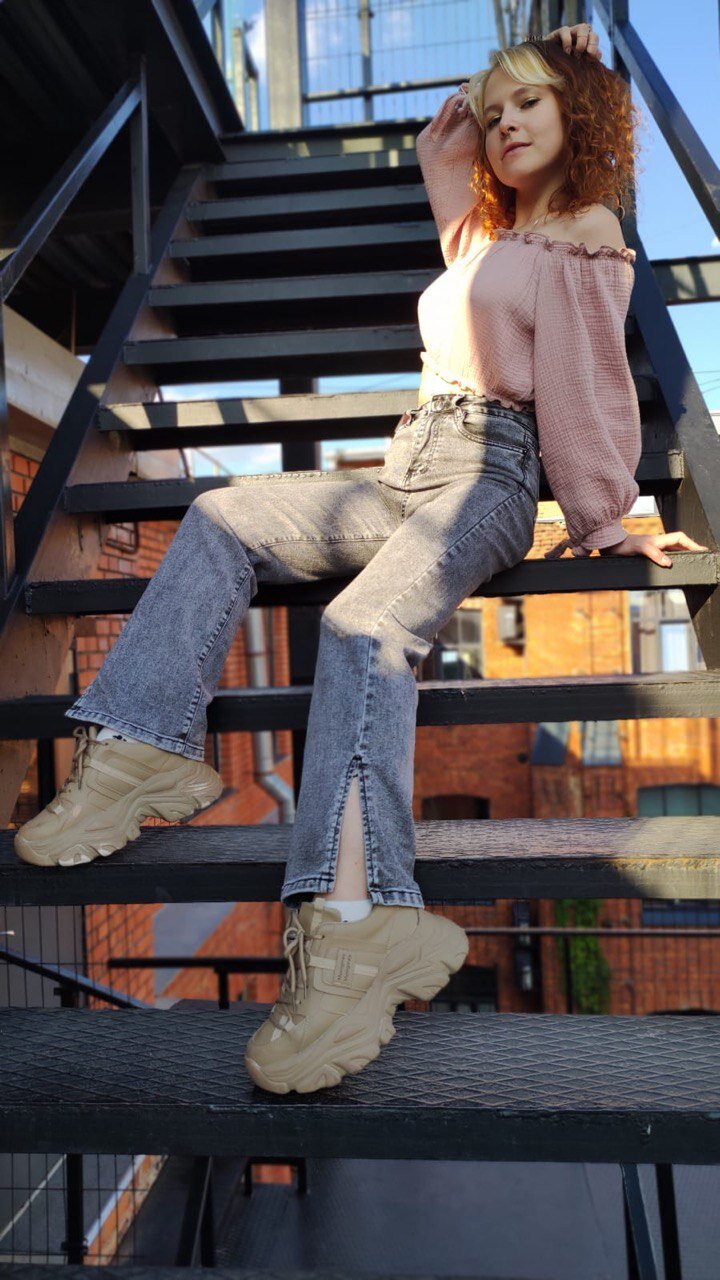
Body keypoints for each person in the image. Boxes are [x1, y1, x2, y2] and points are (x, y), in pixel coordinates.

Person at [13, 22, 708, 1095]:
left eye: (532, 103)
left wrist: (607, 512)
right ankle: (140, 749)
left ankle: (352, 929)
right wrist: (495, 101)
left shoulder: (588, 230)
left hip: (487, 478)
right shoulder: (486, 241)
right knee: (223, 515)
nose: (507, 123)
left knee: (360, 627)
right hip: (404, 468)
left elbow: (585, 385)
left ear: (580, 115)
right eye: (497, 109)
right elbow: (451, 174)